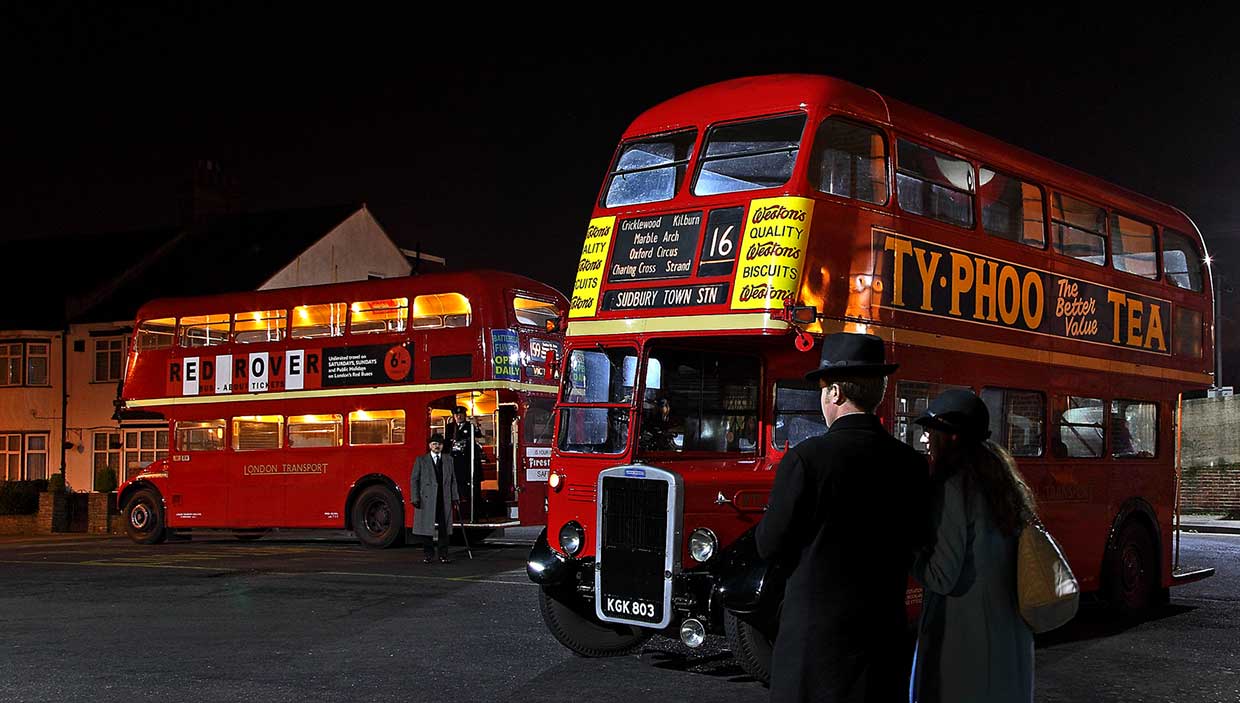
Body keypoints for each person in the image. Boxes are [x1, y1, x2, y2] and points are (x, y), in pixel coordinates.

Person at [756, 332, 930, 702]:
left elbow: (770, 545)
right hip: (881, 635)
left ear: (834, 393)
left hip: (814, 640)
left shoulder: (806, 459)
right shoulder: (911, 464)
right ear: (878, 392)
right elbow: (920, 540)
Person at [910, 389, 1036, 703]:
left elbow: (942, 575)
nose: (926, 440)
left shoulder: (954, 486)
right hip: (1008, 638)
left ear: (951, 437)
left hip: (964, 643)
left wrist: (908, 550)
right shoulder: (1003, 482)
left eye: (931, 432)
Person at [411, 433, 460, 564]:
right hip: (426, 499)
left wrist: (455, 497)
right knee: (426, 528)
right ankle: (428, 554)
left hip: (444, 498)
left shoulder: (449, 460)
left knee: (444, 528)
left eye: (439, 444)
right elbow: (414, 480)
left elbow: (453, 480)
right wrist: (415, 498)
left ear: (442, 446)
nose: (436, 446)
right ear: (430, 446)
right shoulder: (421, 460)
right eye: (434, 444)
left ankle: (443, 554)